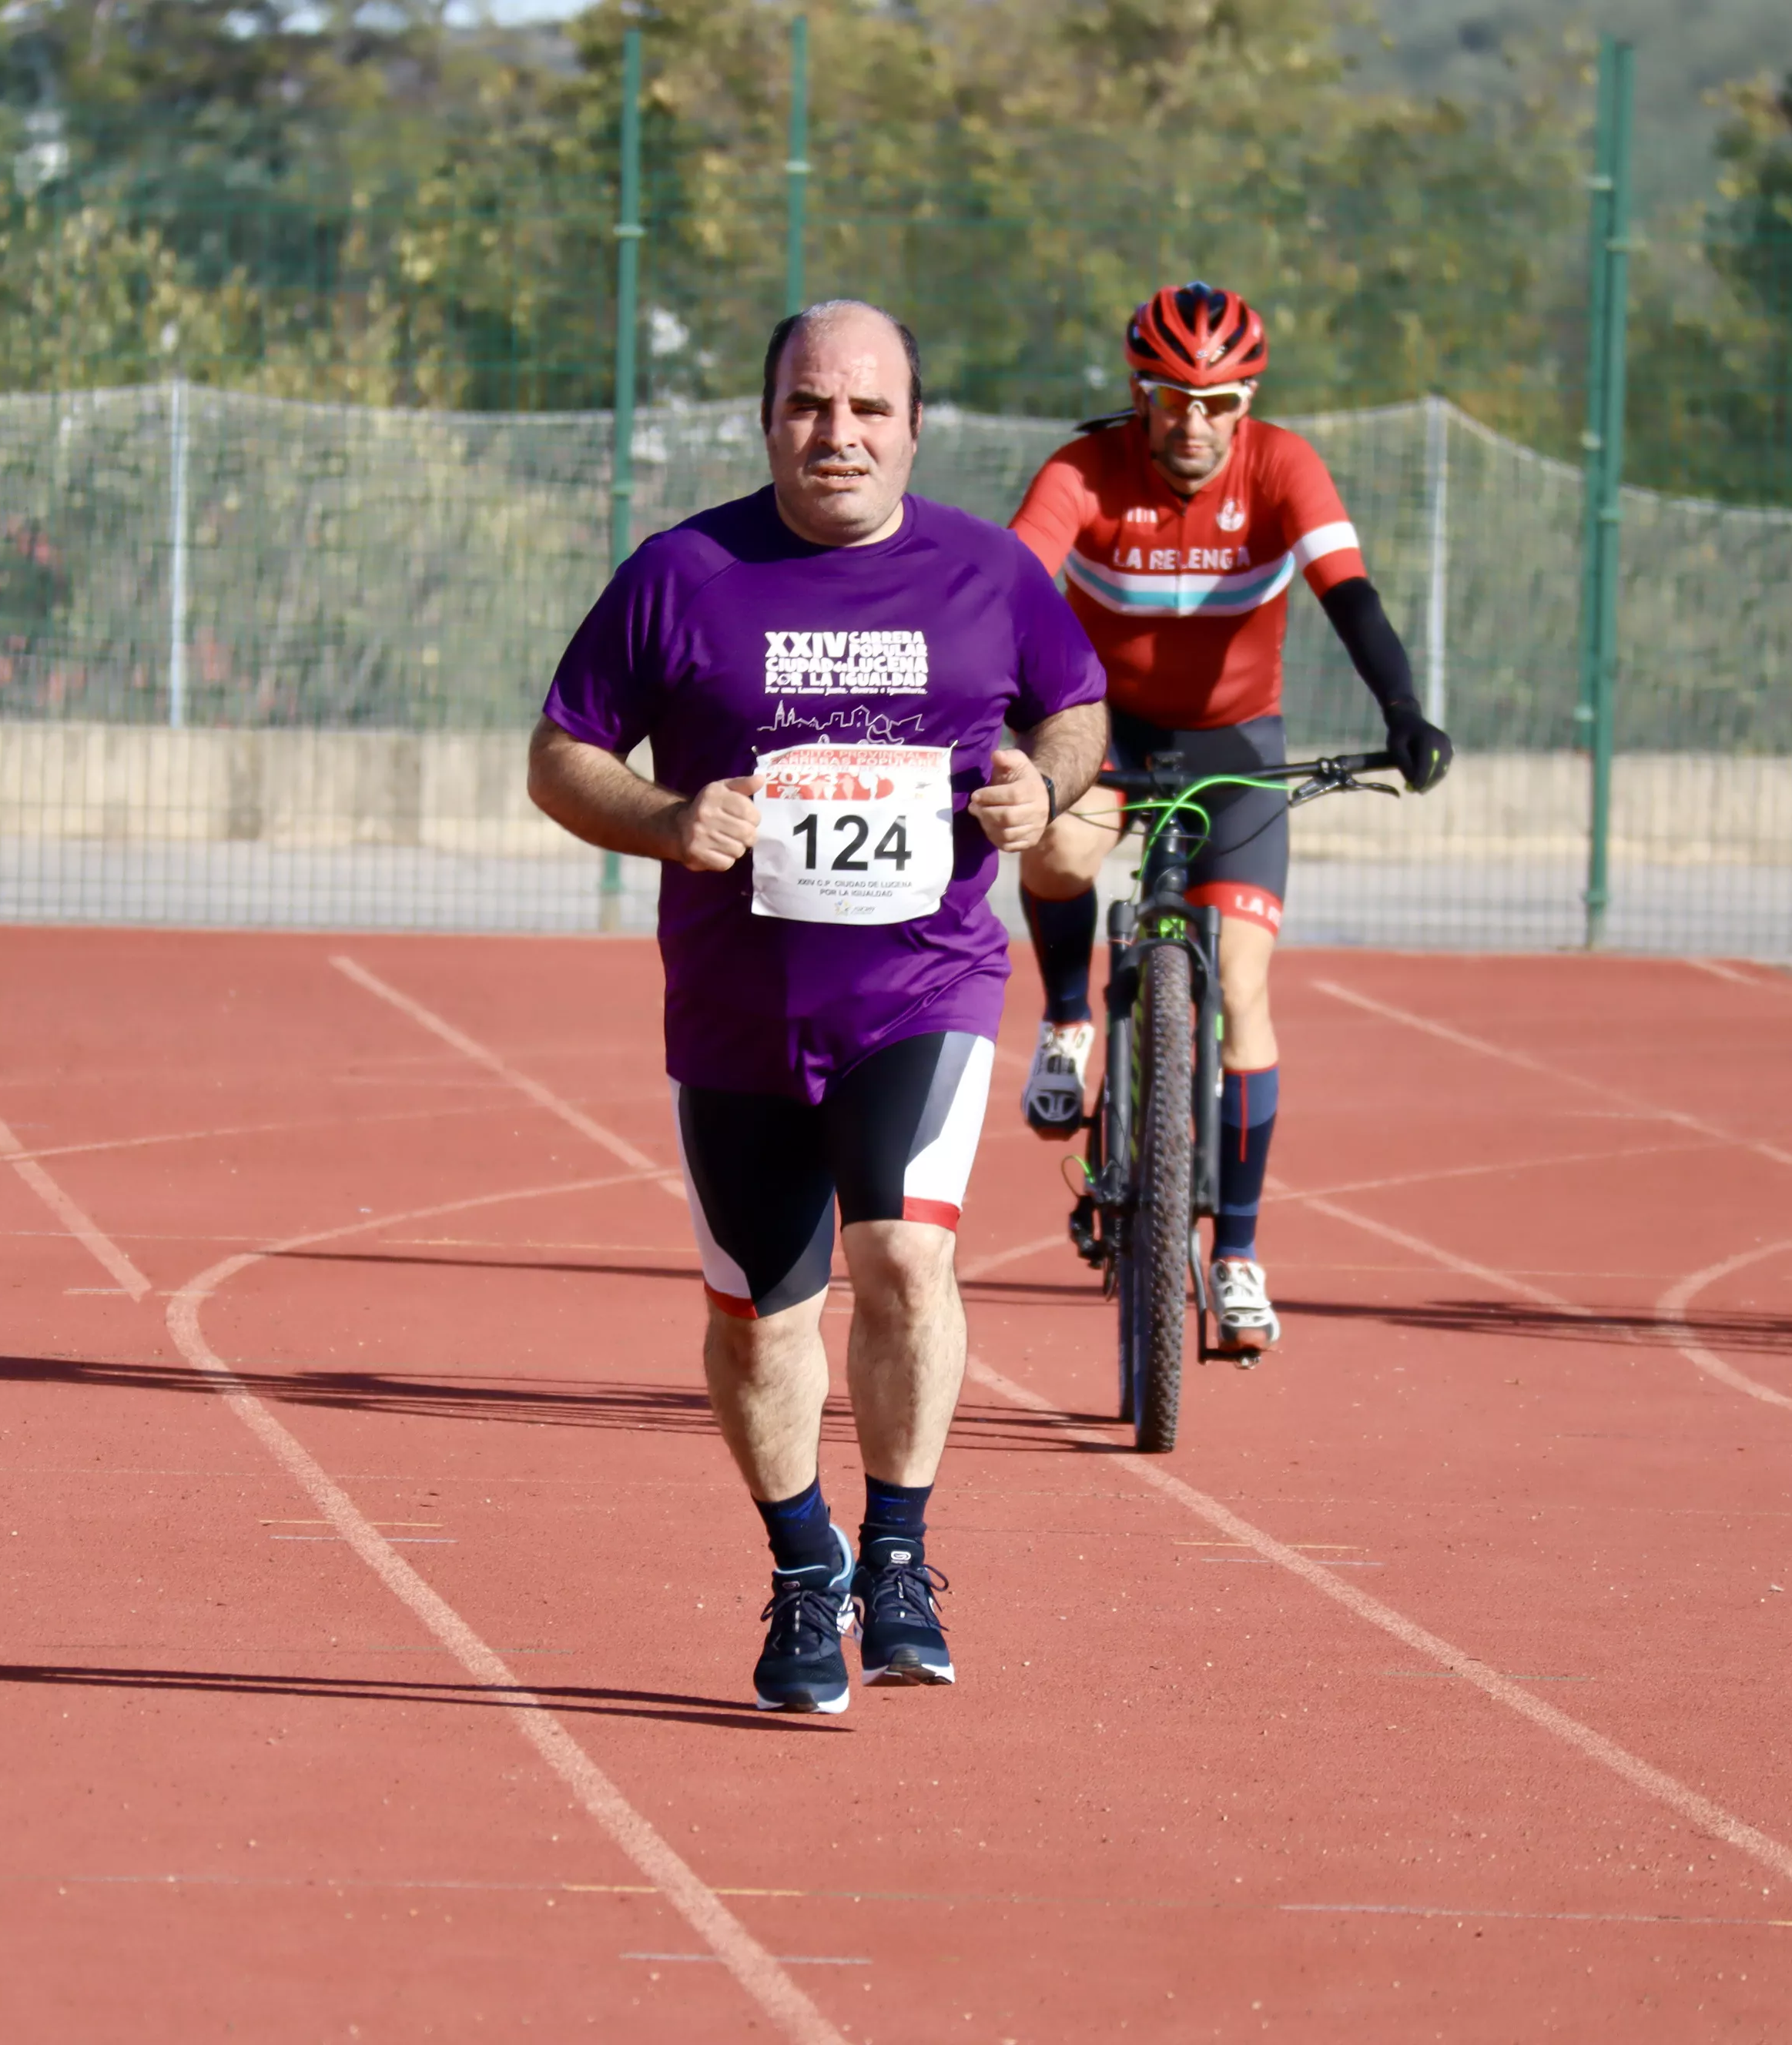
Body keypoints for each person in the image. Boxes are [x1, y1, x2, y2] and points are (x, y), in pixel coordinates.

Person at [528, 300, 1107, 1713]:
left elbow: (1076, 711)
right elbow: (559, 756)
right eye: (807, 407)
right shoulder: (683, 572)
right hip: (736, 1010)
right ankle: (805, 1565)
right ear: (767, 418)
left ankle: (899, 1551)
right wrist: (669, 818)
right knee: (758, 1318)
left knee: (908, 1260)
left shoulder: (990, 573)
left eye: (865, 411)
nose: (835, 436)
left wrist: (1048, 784)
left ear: (915, 426)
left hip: (925, 985)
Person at [1003, 281, 1451, 1353]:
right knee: (1060, 840)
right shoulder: (1082, 470)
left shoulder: (1284, 466)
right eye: (1169, 399)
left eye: (1218, 402)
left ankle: (1240, 1253)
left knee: (1243, 989)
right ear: (1138, 395)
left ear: (1249, 401)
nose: (1192, 424)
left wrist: (1403, 710)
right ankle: (1069, 1018)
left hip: (1233, 739)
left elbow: (1350, 594)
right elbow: (1014, 584)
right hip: (1098, 725)